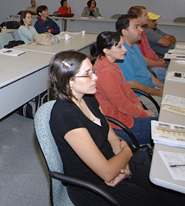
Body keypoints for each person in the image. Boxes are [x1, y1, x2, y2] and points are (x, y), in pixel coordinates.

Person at [49, 50, 185, 206]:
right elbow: (107, 173)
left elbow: (111, 136)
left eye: (93, 71)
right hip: (93, 186)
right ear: (68, 82)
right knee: (156, 200)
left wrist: (123, 165)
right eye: (88, 74)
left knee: (171, 192)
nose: (95, 78)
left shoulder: (89, 98)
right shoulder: (66, 116)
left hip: (114, 162)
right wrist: (126, 152)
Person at [91, 31, 156, 145]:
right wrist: (142, 114)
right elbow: (122, 105)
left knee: (160, 123)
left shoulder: (112, 64)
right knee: (161, 127)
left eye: (123, 45)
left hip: (126, 116)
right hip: (120, 126)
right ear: (106, 51)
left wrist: (139, 105)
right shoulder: (105, 72)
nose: (125, 50)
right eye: (119, 47)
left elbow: (127, 89)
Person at [115, 14, 163, 97]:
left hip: (150, 90)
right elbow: (131, 84)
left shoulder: (134, 46)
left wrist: (162, 86)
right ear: (125, 32)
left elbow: (145, 71)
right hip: (140, 96)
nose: (141, 30)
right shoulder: (122, 54)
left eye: (140, 26)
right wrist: (157, 92)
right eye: (136, 27)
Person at [128, 6, 167, 82]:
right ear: (137, 17)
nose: (148, 17)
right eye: (145, 15)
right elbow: (140, 59)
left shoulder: (143, 31)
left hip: (152, 65)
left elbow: (149, 49)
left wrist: (158, 60)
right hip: (147, 68)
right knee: (167, 73)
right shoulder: (134, 35)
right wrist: (158, 63)